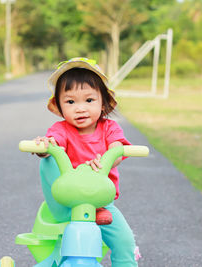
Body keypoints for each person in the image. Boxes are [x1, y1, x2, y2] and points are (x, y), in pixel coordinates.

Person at [33, 57, 140, 266]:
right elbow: (53, 143)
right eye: (71, 102)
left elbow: (117, 150)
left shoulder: (109, 128)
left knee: (125, 240)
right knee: (47, 160)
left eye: (89, 100)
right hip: (68, 200)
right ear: (59, 106)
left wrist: (109, 157)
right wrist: (44, 148)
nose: (80, 108)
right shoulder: (61, 129)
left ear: (103, 103)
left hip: (101, 203)